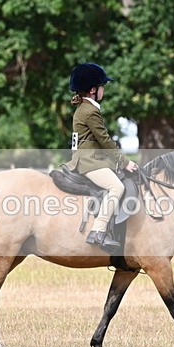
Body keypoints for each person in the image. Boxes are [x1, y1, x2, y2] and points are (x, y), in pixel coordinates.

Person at [65, 62, 138, 252]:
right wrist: (125, 162)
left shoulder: (84, 108)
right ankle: (98, 230)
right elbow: (104, 140)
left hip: (89, 158)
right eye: (102, 86)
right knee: (116, 187)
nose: (103, 90)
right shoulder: (90, 111)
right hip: (89, 162)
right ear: (92, 90)